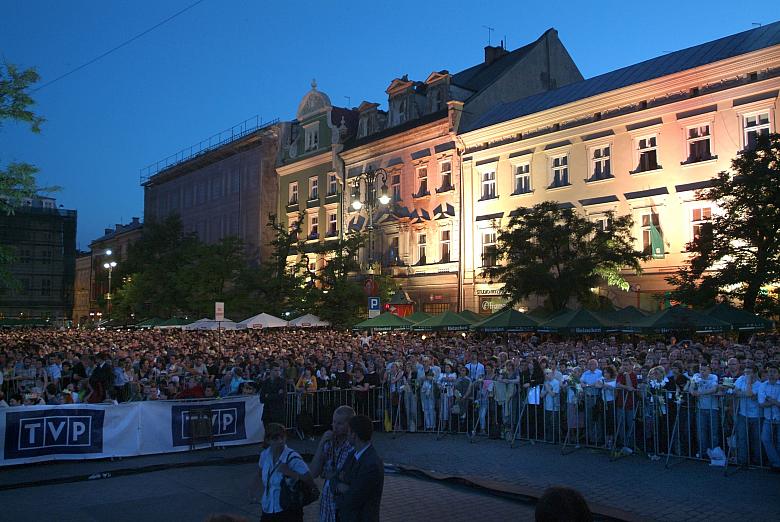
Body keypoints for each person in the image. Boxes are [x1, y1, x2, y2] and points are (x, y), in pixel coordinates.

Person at [250, 423, 314, 521]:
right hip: (268, 507)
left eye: (282, 437)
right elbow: (260, 473)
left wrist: (290, 472)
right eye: (275, 438)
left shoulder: (292, 457)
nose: (280, 441)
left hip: (288, 509)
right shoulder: (265, 455)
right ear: (268, 440)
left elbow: (309, 479)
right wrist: (252, 492)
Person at [308, 405, 355, 522]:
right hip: (327, 507)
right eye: (333, 422)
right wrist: (321, 444)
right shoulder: (329, 444)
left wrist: (331, 475)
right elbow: (313, 472)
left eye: (339, 423)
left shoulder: (352, 448)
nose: (335, 426)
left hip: (343, 507)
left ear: (349, 426)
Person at [333, 415, 384, 522]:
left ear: (354, 435)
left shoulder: (371, 465)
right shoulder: (353, 454)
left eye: (348, 432)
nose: (346, 435)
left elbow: (351, 500)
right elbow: (337, 477)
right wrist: (342, 487)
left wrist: (341, 487)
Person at [758, 362, 780, 471]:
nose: (771, 374)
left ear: (778, 374)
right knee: (765, 439)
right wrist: (774, 401)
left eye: (774, 372)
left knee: (779, 441)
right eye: (770, 372)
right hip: (768, 418)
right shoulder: (763, 385)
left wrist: (769, 399)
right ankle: (776, 463)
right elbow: (761, 404)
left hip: (779, 417)